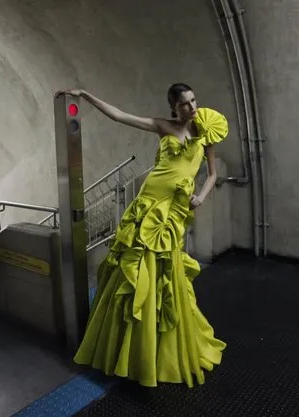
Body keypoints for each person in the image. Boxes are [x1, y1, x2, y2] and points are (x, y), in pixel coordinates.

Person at [57, 83, 228, 388]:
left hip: (173, 212)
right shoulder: (163, 126)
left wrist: (201, 197)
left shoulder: (206, 132)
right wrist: (85, 94)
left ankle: (156, 347)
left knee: (164, 273)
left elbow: (212, 173)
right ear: (173, 108)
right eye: (184, 104)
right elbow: (120, 116)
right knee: (133, 270)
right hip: (149, 204)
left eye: (193, 101)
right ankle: (124, 347)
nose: (191, 108)